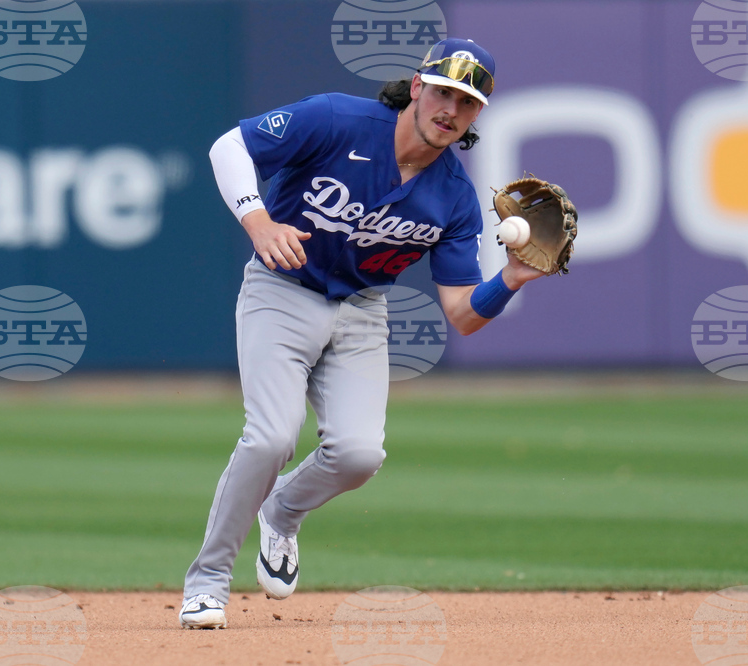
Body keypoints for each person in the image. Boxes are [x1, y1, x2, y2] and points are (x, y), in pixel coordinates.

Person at [179, 38, 545, 629]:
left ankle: (281, 512)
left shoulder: (454, 197)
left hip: (362, 311)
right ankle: (208, 582)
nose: (451, 110)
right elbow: (230, 147)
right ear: (418, 86)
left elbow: (461, 313)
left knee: (358, 456)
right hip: (282, 290)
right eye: (445, 93)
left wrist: (511, 279)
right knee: (271, 438)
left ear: (478, 114)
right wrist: (258, 220)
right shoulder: (336, 119)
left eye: (468, 102)